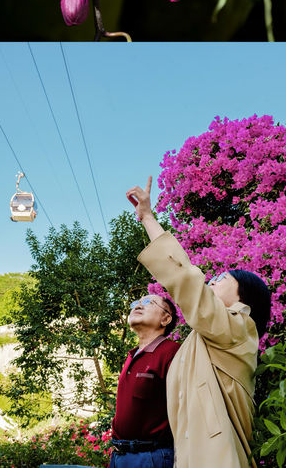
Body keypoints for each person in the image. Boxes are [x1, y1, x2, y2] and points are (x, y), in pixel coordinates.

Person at [127, 176, 272, 468]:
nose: (211, 282)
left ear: (244, 300)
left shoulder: (239, 328)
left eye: (220, 279)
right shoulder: (206, 337)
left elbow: (185, 280)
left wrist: (148, 219)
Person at [110, 291, 180, 467]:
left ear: (165, 319)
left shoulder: (172, 352)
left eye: (148, 302)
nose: (138, 306)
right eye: (136, 303)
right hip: (120, 456)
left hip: (150, 457)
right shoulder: (132, 355)